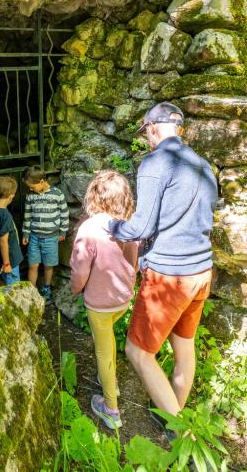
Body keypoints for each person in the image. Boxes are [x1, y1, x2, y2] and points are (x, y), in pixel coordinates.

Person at [107, 102, 217, 438]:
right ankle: (173, 419)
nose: (147, 140)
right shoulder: (203, 166)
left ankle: (184, 435)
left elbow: (141, 226)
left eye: (145, 134)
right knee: (184, 348)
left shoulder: (156, 163)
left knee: (137, 352)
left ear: (153, 127)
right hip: (201, 270)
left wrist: (113, 226)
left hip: (169, 275)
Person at [71, 170, 139, 430]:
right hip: (122, 298)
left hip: (99, 302)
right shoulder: (131, 224)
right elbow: (134, 261)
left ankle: (111, 408)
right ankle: (109, 381)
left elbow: (79, 270)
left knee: (103, 352)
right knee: (108, 340)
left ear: (95, 196)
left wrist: (76, 289)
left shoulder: (89, 229)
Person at [22, 165, 69, 300]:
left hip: (51, 237)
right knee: (33, 264)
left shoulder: (57, 194)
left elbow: (64, 214)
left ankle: (46, 288)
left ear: (42, 182)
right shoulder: (31, 196)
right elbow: (28, 215)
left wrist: (63, 231)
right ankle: (32, 291)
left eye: (32, 186)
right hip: (34, 237)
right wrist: (26, 233)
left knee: (49, 265)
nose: (30, 189)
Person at [0, 175, 23, 286]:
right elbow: (3, 240)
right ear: (11, 196)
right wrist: (7, 264)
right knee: (13, 288)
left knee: (0, 283)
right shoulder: (5, 215)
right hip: (9, 259)